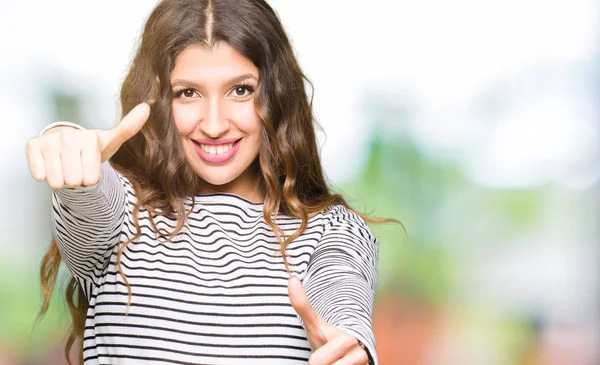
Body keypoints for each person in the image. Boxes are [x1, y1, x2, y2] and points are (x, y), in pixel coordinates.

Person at [27, 0, 392, 364]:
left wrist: (346, 343)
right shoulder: (122, 214)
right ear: (157, 101)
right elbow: (89, 192)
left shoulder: (332, 230)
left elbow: (343, 301)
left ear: (277, 96)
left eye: (241, 90)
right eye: (188, 93)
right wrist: (68, 143)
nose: (215, 125)